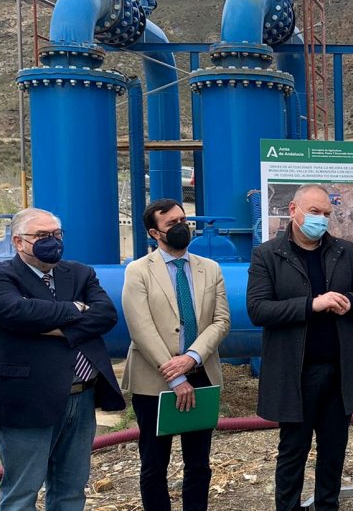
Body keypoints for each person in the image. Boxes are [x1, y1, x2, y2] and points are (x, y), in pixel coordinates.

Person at [0, 207, 125, 510]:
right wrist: (76, 309)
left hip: (81, 398)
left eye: (57, 235)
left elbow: (106, 315)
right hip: (26, 398)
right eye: (42, 236)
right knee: (21, 493)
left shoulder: (80, 272)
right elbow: (14, 312)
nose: (52, 241)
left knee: (71, 490)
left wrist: (53, 328)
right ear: (18, 242)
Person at [247, 184, 353, 511]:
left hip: (338, 371)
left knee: (334, 451)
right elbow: (258, 310)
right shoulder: (268, 255)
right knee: (293, 451)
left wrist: (349, 302)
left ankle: (327, 506)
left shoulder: (344, 251)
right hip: (295, 374)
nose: (321, 219)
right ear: (293, 210)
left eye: (327, 214)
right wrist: (312, 305)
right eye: (315, 212)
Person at [122, 198, 231, 511]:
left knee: (199, 463)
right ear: (155, 233)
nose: (181, 227)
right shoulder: (138, 272)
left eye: (183, 219)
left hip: (201, 374)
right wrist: (176, 374)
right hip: (154, 382)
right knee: (155, 464)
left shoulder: (209, 269)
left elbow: (221, 321)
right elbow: (140, 329)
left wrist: (192, 357)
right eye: (171, 224)